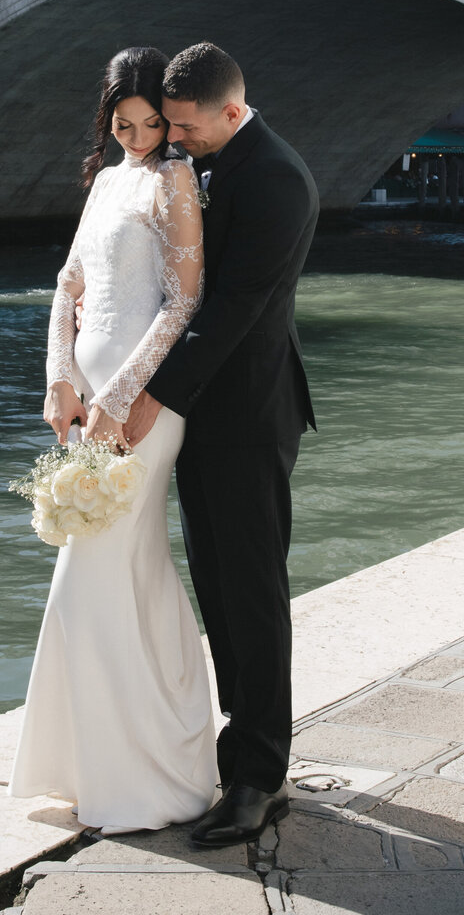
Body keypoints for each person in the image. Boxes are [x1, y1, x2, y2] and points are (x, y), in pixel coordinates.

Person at [9, 48, 216, 832]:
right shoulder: (104, 183)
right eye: (122, 125)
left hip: (145, 406)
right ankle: (118, 760)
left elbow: (183, 301)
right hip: (88, 400)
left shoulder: (175, 181)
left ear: (170, 119)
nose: (137, 139)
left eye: (151, 124)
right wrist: (61, 380)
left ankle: (142, 776)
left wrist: (122, 399)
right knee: (123, 572)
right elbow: (67, 285)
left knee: (91, 576)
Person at [124, 43, 319, 847]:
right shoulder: (209, 159)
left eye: (184, 125)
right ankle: (239, 755)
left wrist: (148, 396)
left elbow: (230, 311)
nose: (173, 137)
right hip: (206, 417)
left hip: (248, 415)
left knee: (252, 594)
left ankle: (261, 779)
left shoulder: (275, 179)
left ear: (231, 112)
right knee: (218, 586)